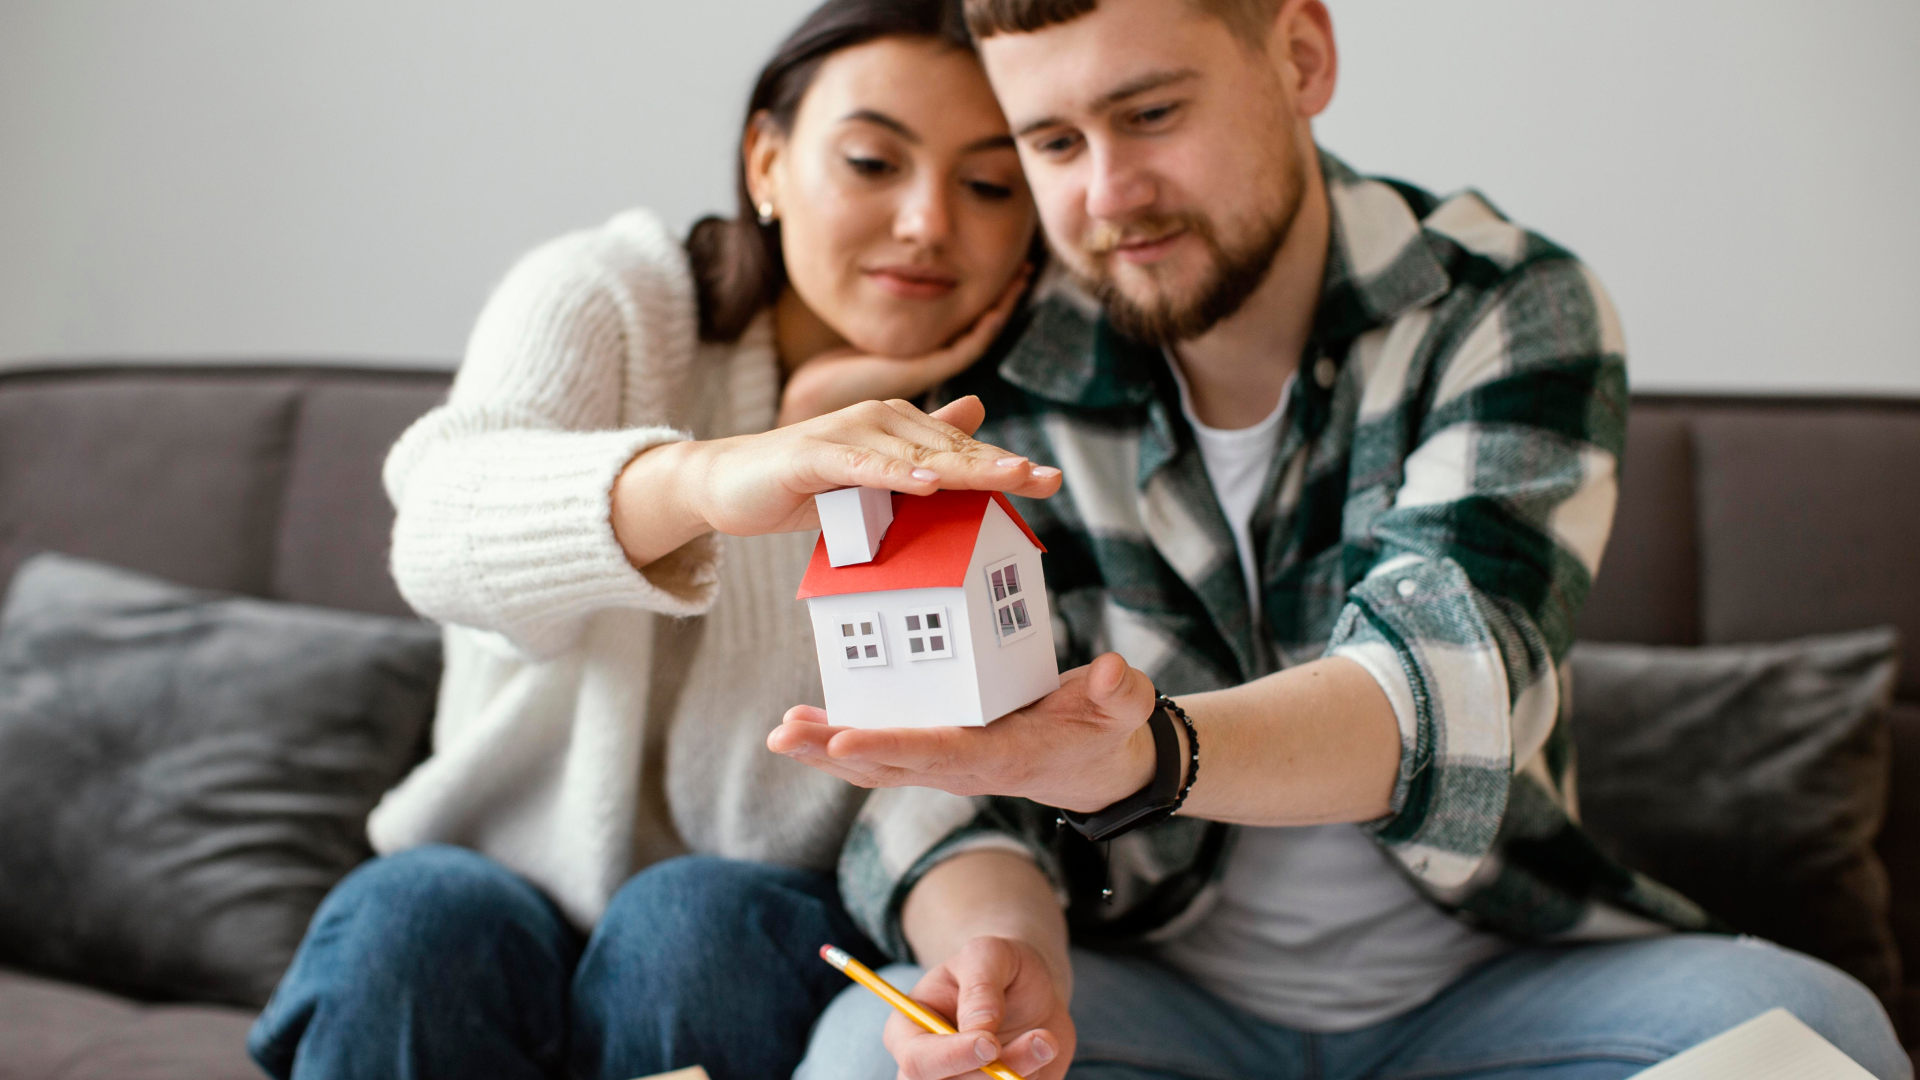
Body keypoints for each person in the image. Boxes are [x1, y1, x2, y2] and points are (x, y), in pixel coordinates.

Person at [773, 1, 1913, 1078]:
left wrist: (1148, 755)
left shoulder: (1504, 304)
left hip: (1502, 979)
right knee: (864, 1053)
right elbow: (947, 775)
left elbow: (1446, 684)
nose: (1111, 193)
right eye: (1054, 144)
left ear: (1303, 56)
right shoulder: (1007, 364)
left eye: (1153, 113)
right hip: (1150, 988)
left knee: (1814, 1035)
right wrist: (1008, 951)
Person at [245, 3, 1062, 1078]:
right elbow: (440, 529)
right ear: (766, 161)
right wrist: (719, 473)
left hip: (750, 927)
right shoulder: (610, 297)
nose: (924, 222)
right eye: (872, 162)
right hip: (491, 888)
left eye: (988, 185)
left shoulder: (1017, 442)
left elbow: (956, 778)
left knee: (691, 924)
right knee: (413, 917)